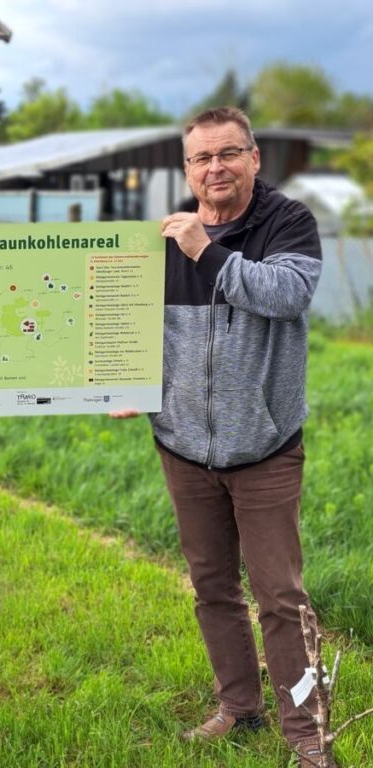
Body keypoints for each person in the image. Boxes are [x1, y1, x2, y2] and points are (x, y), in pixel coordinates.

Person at [113, 107, 330, 767]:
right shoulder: (164, 237)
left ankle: (309, 736)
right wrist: (120, 381)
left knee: (281, 597)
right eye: (202, 158)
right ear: (187, 169)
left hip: (263, 448)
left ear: (255, 159)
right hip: (184, 448)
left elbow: (286, 295)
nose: (216, 169)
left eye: (229, 154)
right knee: (212, 588)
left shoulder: (287, 223)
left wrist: (207, 252)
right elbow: (130, 327)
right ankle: (239, 707)